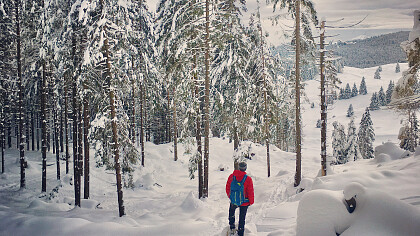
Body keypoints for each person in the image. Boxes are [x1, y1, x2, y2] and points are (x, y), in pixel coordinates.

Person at [226, 162, 254, 236]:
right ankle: (240, 232)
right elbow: (250, 191)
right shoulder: (248, 179)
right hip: (244, 202)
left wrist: (231, 197)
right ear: (245, 168)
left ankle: (232, 227)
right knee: (242, 217)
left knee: (231, 212)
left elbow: (228, 188)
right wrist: (251, 201)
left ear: (239, 167)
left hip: (234, 200)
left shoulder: (232, 176)